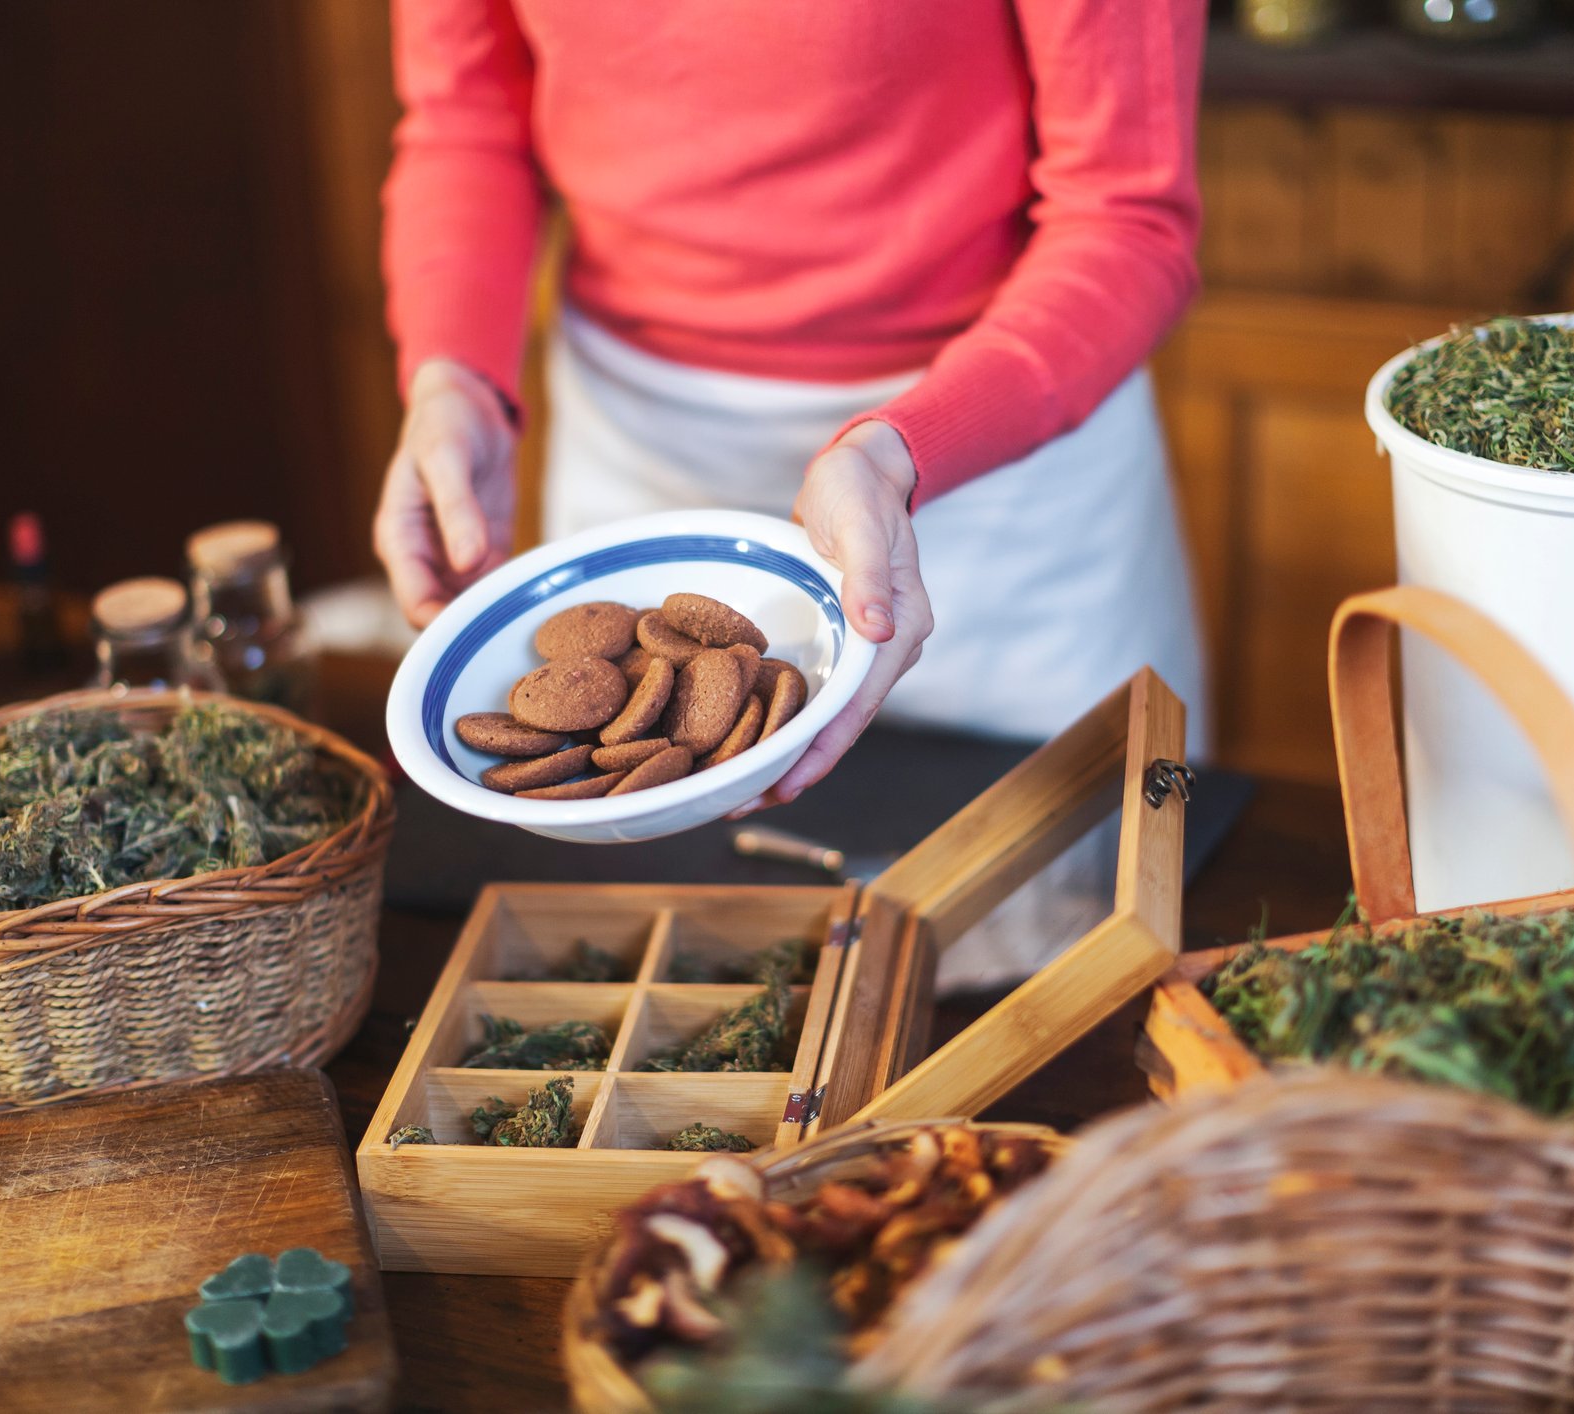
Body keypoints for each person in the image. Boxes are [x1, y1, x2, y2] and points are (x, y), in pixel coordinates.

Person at [374, 2, 1209, 984]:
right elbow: (465, 121)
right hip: (639, 448)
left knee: (1052, 970)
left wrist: (903, 449)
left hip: (995, 465)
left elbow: (1128, 214)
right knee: (687, 975)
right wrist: (454, 374)